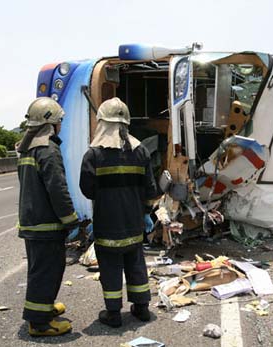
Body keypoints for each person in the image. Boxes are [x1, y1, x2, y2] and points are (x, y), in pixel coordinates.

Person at [80, 97, 158, 328]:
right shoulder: (141, 151)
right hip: (134, 222)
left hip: (107, 223)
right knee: (135, 263)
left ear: (102, 123)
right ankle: (142, 307)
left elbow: (87, 190)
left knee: (111, 267)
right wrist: (144, 212)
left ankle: (113, 313)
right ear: (126, 123)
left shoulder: (93, 155)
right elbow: (151, 189)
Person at [16, 97, 79, 336]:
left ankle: (44, 307)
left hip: (32, 222)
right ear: (52, 122)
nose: (61, 124)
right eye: (60, 120)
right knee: (47, 270)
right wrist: (71, 219)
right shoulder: (48, 149)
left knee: (40, 269)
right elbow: (57, 188)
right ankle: (39, 323)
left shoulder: (28, 147)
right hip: (46, 224)